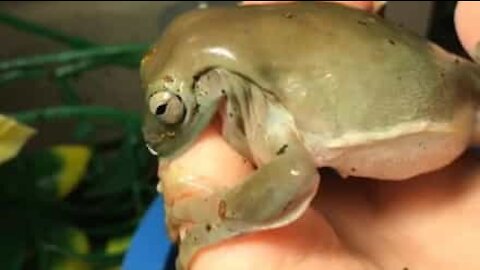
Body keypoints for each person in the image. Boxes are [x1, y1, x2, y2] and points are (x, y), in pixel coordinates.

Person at [159, 2, 480, 269]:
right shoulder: (248, 100)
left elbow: (294, 174)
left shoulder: (263, 106)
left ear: (215, 80)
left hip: (456, 107)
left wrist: (213, 218)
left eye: (165, 109)